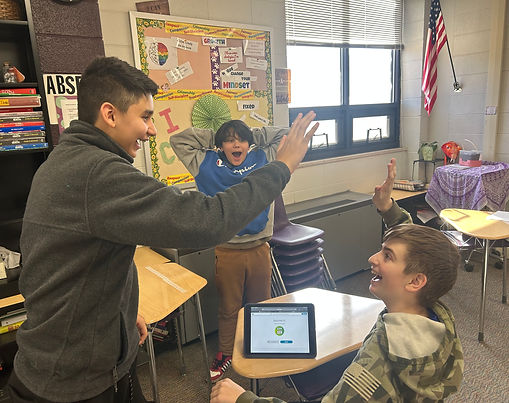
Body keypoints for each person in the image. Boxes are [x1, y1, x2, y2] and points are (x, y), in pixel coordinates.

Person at [8, 56, 318, 402]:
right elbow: (208, 219)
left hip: (90, 358)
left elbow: (71, 266)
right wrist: (282, 167)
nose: (152, 129)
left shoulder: (66, 159)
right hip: (74, 383)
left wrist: (120, 314)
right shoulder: (99, 173)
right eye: (145, 117)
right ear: (110, 114)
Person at [210, 158, 464, 403]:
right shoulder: (437, 313)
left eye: (387, 256)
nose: (373, 258)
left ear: (416, 281)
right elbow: (420, 254)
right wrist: (388, 208)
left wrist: (244, 398)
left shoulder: (377, 362)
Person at [170, 120, 287, 382]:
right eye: (230, 140)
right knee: (229, 308)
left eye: (241, 139)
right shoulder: (205, 162)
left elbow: (287, 135)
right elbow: (179, 140)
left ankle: (264, 345)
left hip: (259, 248)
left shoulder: (264, 157)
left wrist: (254, 135)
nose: (236, 144)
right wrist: (217, 136)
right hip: (227, 250)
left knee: (262, 304)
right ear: (221, 145)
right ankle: (226, 353)